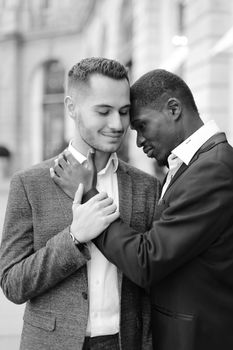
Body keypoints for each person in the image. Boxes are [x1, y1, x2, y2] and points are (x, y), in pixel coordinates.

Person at [52, 69, 233, 350]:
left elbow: (146, 261)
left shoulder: (212, 169)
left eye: (141, 126)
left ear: (173, 109)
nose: (137, 141)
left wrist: (87, 194)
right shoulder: (191, 164)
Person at [0, 58, 158, 350]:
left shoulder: (145, 186)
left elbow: (151, 279)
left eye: (124, 112)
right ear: (72, 107)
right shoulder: (29, 183)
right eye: (103, 111)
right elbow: (12, 283)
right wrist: (72, 238)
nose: (117, 124)